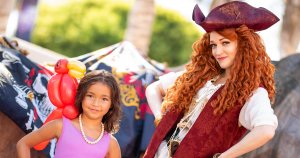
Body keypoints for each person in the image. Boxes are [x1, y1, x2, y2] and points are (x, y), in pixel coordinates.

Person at [143, 1, 279, 158]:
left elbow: (266, 130)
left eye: (225, 43)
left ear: (244, 46)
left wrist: (225, 156)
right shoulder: (200, 77)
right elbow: (153, 89)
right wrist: (160, 116)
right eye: (213, 45)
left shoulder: (251, 92)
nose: (217, 51)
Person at [17, 70, 122, 158]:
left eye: (104, 99)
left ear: (112, 104)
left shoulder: (111, 144)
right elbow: (23, 144)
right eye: (90, 96)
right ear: (81, 96)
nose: (95, 103)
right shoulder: (60, 126)